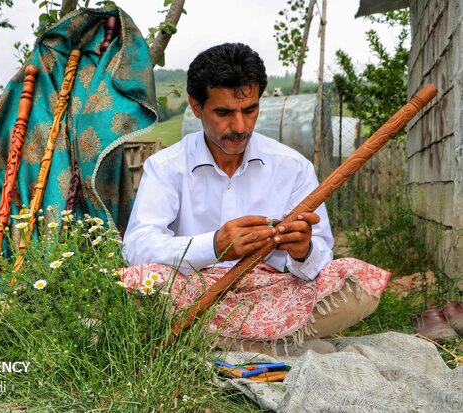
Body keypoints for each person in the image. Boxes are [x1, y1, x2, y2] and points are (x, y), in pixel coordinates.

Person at [119, 43, 390, 355]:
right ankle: (277, 347)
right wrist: (215, 246)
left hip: (271, 296)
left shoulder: (293, 167)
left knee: (356, 285)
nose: (239, 126)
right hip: (192, 291)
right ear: (196, 107)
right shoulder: (167, 166)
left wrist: (303, 251)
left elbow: (319, 262)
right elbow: (138, 244)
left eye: (250, 110)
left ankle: (211, 343)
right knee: (137, 281)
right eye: (223, 112)